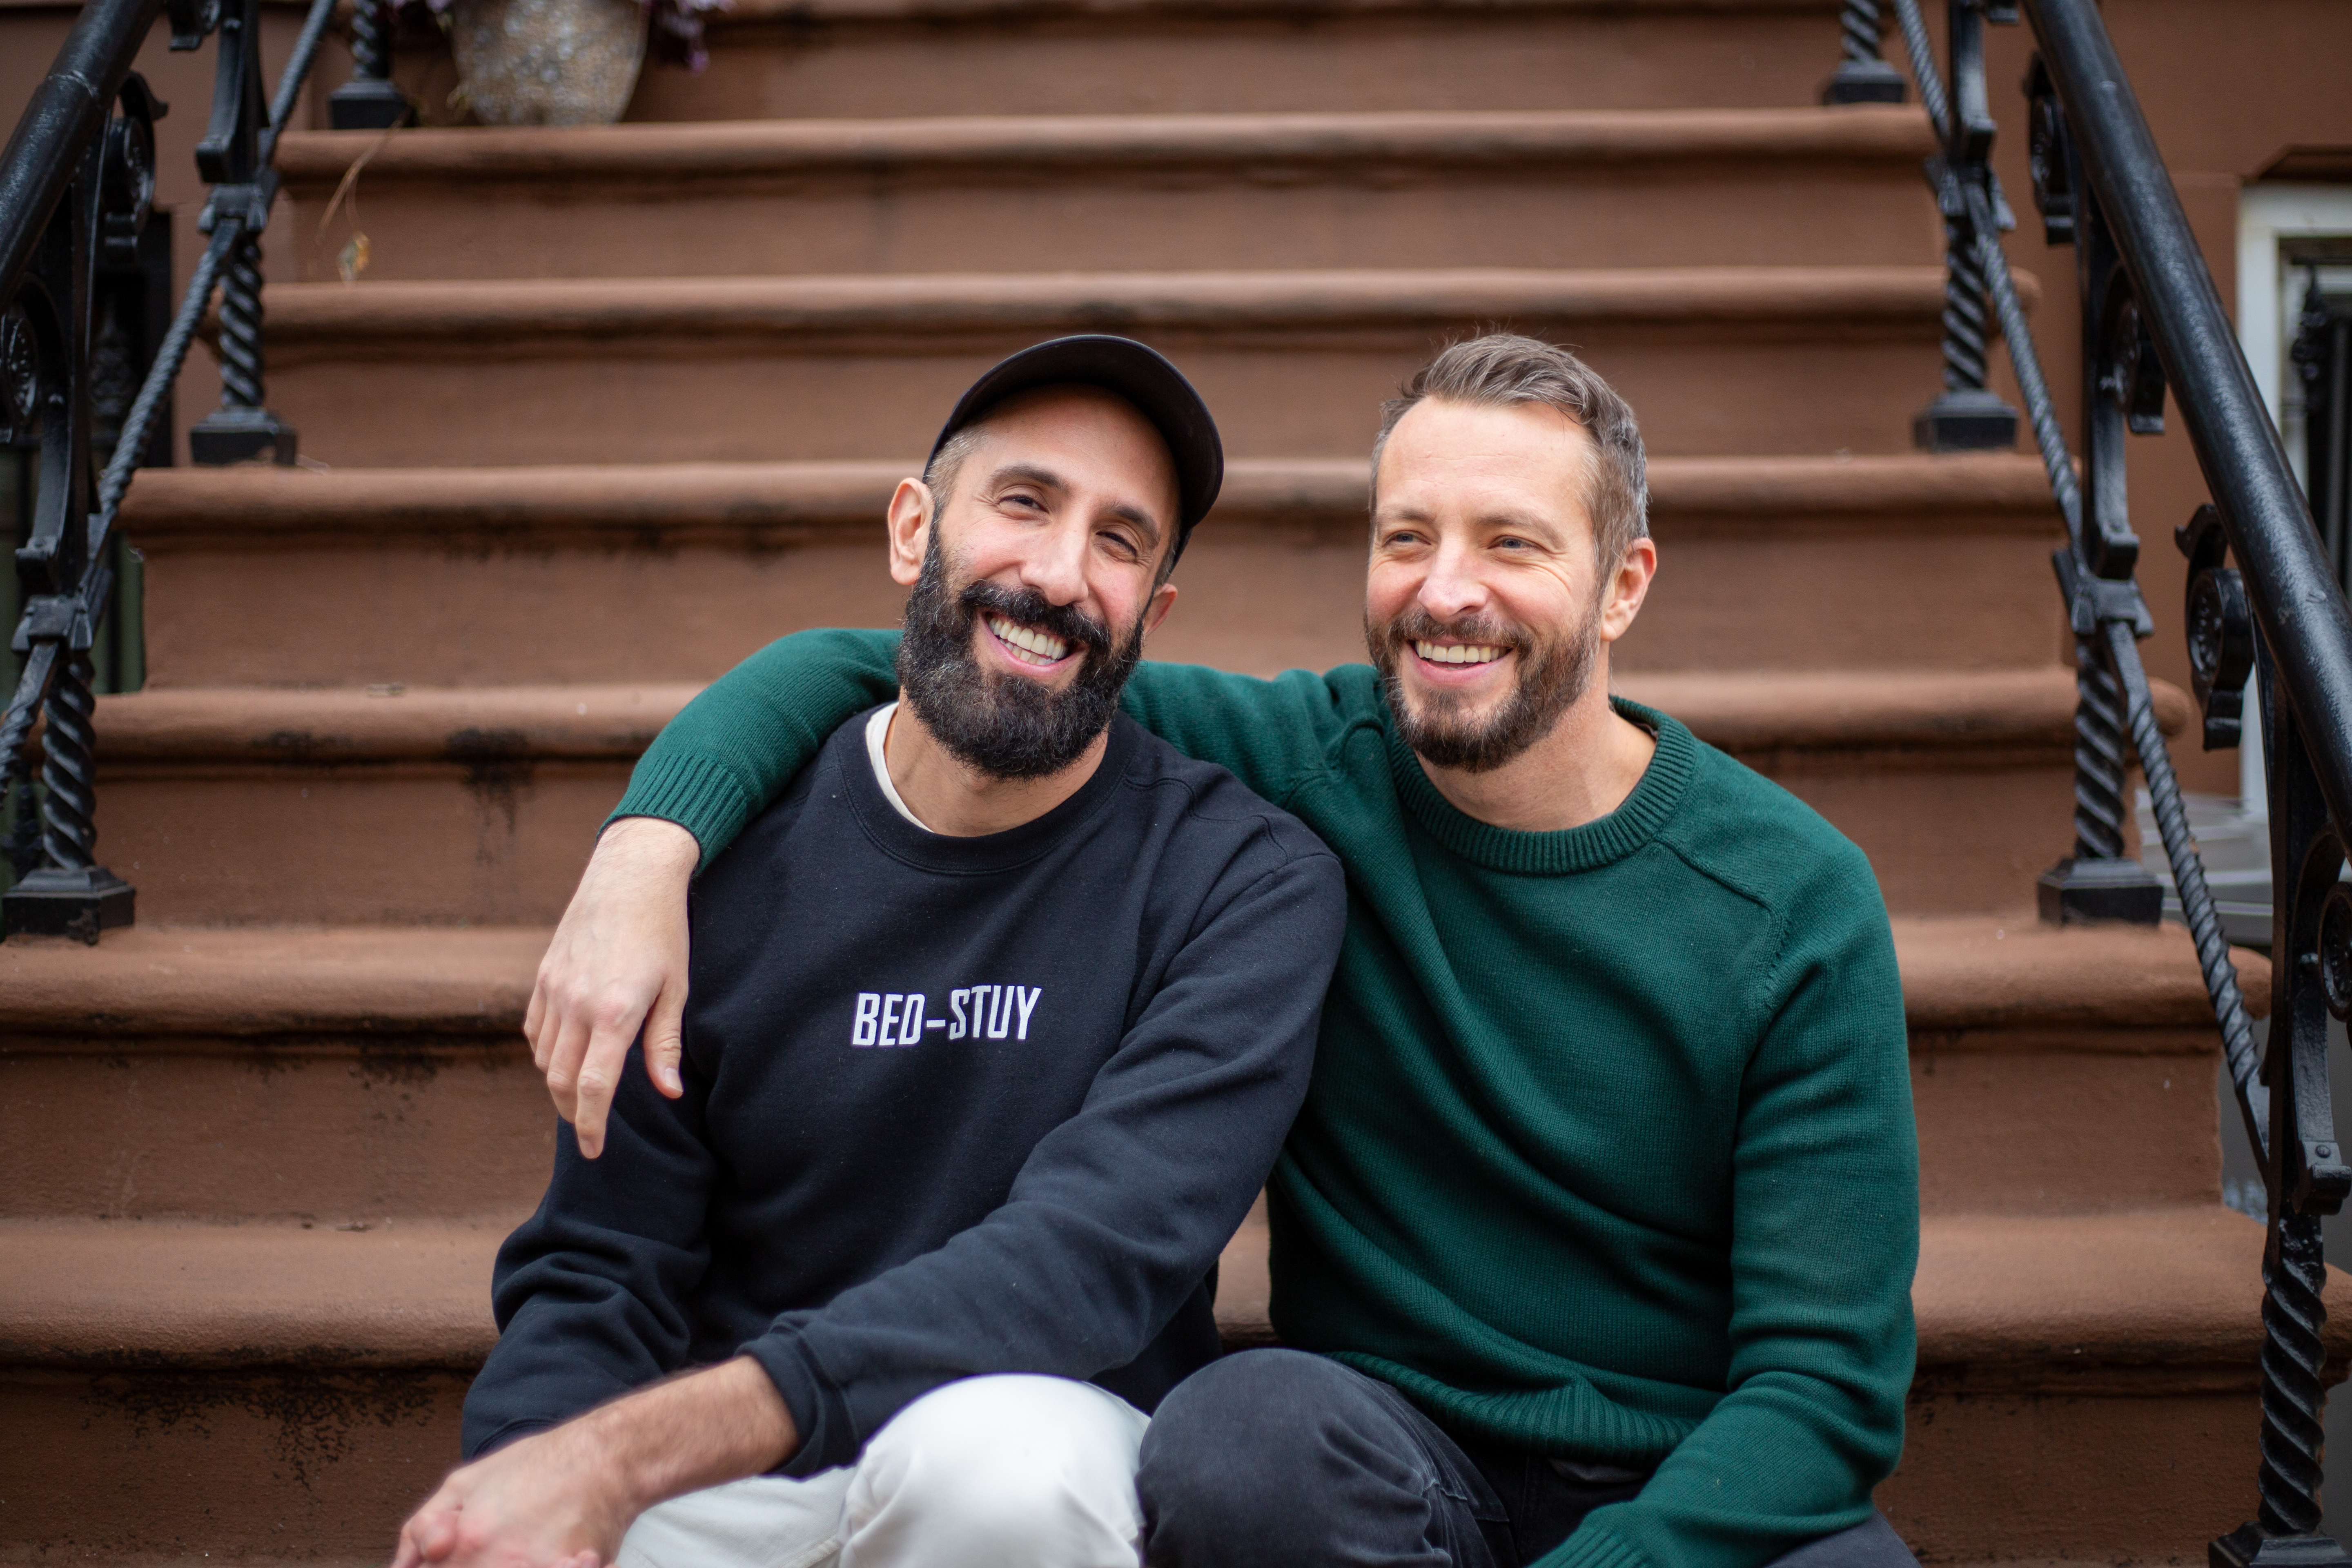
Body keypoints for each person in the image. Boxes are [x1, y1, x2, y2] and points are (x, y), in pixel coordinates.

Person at [529, 333, 1921, 1568]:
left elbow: (1824, 1390)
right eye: (1405, 538)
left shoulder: (1789, 900)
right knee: (1233, 1445)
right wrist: (651, 841)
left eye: (1512, 544)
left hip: (1689, 1478)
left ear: (1622, 587)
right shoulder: (1310, 766)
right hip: (1376, 1446)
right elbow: (924, 653)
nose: (1446, 595)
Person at [392, 336, 1346, 1568]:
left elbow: (1084, 1265)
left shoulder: (1240, 881)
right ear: (912, 531)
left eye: (1120, 540)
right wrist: (528, 1470)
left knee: (998, 1478)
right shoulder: (714, 855)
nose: (1059, 575)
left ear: (1152, 613)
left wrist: (632, 1452)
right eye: (1023, 503)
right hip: (730, 1470)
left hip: (1033, 1427)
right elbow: (602, 1265)